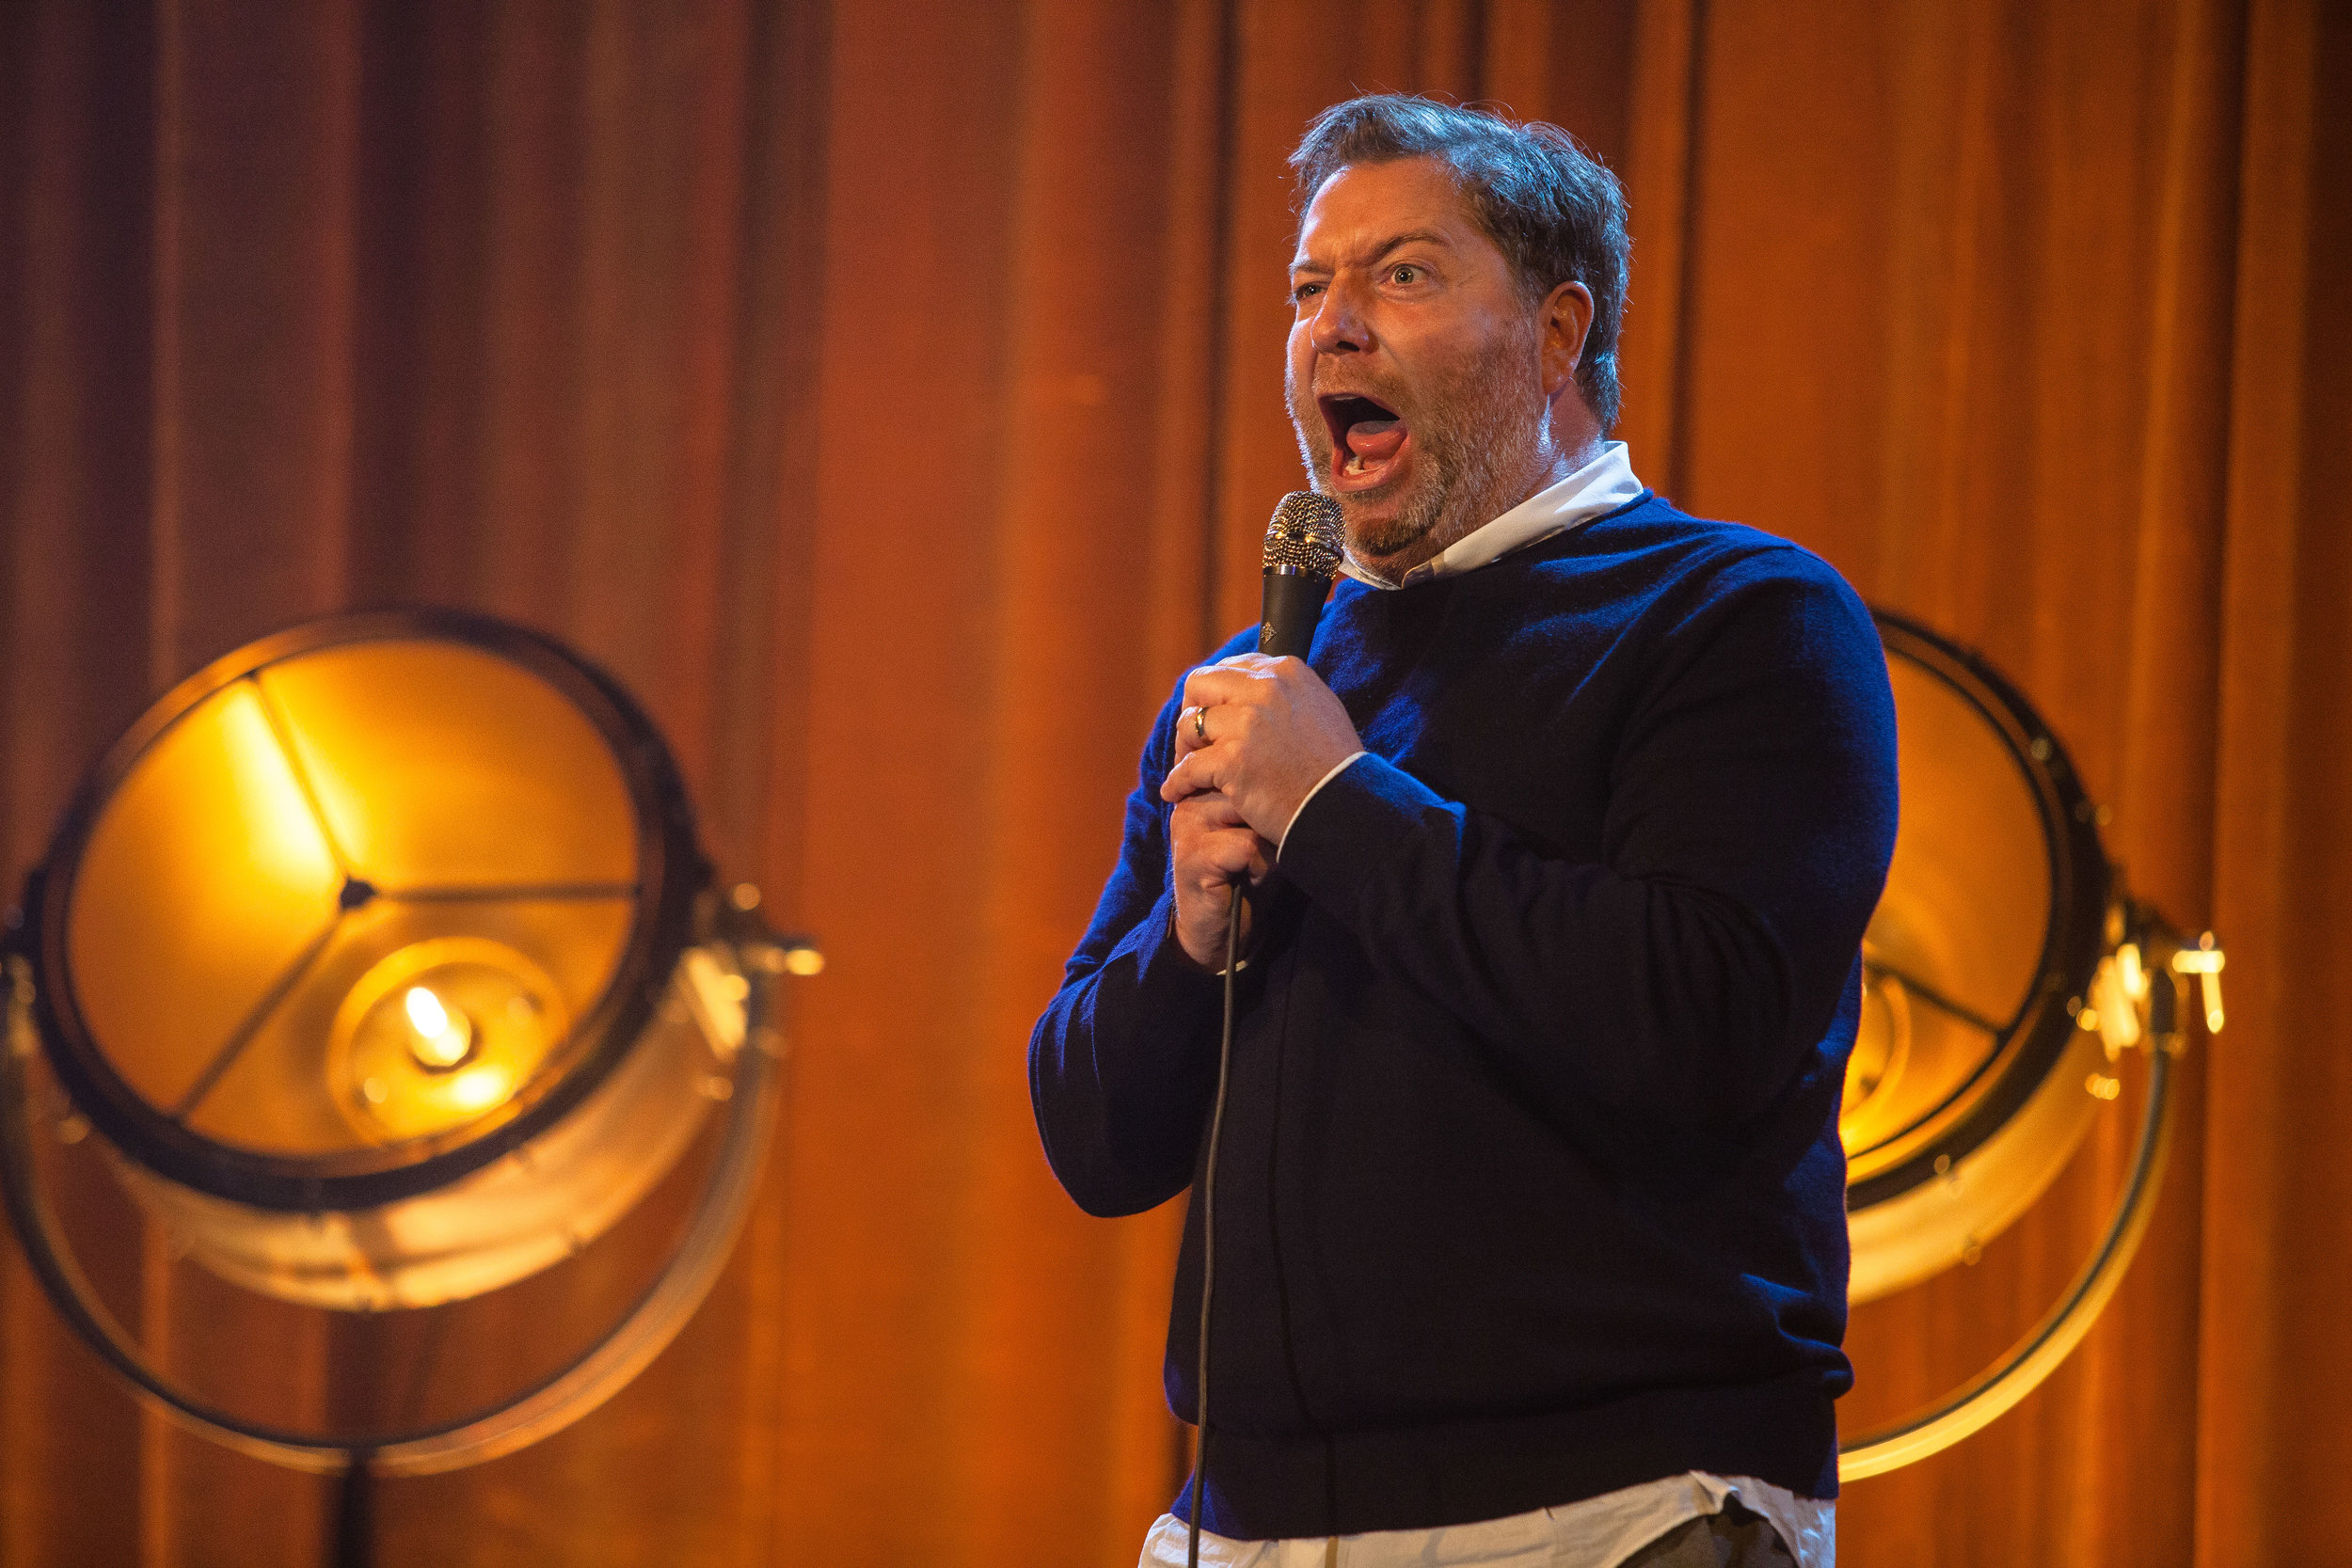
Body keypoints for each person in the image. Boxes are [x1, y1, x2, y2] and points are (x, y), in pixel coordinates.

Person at [1027, 95, 1898, 1568]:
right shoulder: (1256, 688)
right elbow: (1096, 1144)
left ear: (1557, 336)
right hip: (1250, 1523)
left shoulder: (1741, 618)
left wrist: (1337, 808)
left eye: (1403, 275)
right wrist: (1188, 942)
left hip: (1622, 1508)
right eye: (1310, 286)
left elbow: (1699, 1022)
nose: (1333, 327)